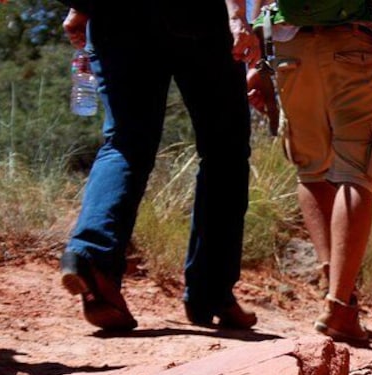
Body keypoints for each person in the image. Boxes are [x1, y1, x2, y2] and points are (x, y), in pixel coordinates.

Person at [57, 0, 260, 331]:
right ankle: (211, 291)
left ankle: (92, 256)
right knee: (224, 150)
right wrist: (236, 15)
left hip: (113, 15)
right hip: (196, 16)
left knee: (125, 140)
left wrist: (82, 8)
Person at [247, 0, 372, 345]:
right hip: (356, 40)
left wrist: (260, 57)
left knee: (311, 167)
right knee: (358, 171)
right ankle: (340, 305)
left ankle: (335, 285)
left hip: (288, 42)